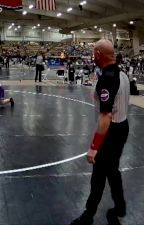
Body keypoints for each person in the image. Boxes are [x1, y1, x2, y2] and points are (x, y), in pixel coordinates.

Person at [70, 39, 130, 225]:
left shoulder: (107, 78)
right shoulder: (122, 75)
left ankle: (88, 215)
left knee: (99, 174)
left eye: (93, 53)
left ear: (98, 54)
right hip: (122, 127)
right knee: (112, 170)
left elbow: (105, 116)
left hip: (110, 131)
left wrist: (94, 147)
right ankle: (120, 207)